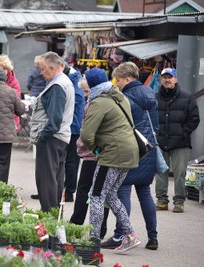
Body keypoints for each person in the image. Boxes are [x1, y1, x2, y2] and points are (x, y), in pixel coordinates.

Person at [80, 67, 140, 253]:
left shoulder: (98, 102)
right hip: (130, 152)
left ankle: (93, 243)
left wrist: (97, 150)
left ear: (91, 85)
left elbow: (86, 135)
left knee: (96, 196)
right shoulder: (119, 96)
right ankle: (130, 235)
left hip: (112, 154)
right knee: (111, 195)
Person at [100, 62, 159, 250]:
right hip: (149, 149)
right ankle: (153, 237)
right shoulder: (150, 93)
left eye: (118, 79)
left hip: (131, 149)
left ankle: (120, 235)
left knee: (122, 191)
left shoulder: (124, 97)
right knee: (145, 193)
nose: (116, 83)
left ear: (127, 78)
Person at [29, 51, 74, 212]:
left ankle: (49, 216)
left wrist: (42, 137)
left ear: (52, 68)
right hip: (59, 138)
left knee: (46, 179)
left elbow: (54, 120)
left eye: (42, 69)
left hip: (52, 138)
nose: (41, 73)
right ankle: (54, 216)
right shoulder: (63, 82)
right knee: (55, 178)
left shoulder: (57, 86)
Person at [155, 68, 200, 213]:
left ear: (176, 79)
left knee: (180, 174)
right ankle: (162, 200)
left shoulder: (186, 97)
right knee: (161, 172)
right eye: (164, 77)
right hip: (161, 141)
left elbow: (194, 119)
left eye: (170, 77)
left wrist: (183, 133)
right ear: (161, 79)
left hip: (180, 143)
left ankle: (179, 201)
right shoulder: (155, 97)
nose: (167, 80)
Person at [64, 67, 86, 202]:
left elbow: (77, 100)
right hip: (71, 126)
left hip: (74, 128)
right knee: (66, 161)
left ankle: (70, 191)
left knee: (71, 161)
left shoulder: (75, 83)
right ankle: (64, 189)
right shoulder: (72, 81)